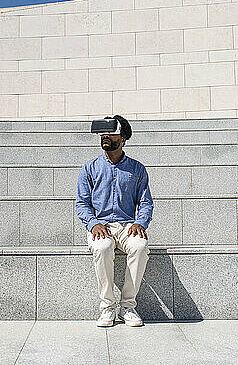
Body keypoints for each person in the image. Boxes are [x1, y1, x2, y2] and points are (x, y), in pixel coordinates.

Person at [75, 115, 153, 327]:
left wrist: (140, 223)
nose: (106, 137)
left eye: (111, 134)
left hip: (127, 225)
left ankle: (127, 306)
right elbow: (81, 204)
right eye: (103, 134)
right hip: (100, 225)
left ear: (124, 139)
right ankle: (107, 307)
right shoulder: (89, 168)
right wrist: (92, 224)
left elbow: (146, 202)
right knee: (103, 247)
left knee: (140, 245)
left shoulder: (137, 169)